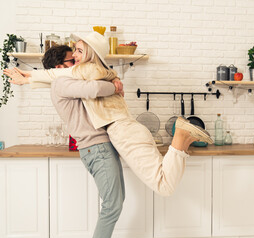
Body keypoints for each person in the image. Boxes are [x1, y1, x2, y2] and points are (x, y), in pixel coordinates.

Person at [4, 31, 213, 197]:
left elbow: (57, 74)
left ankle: (180, 136)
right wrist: (29, 77)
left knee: (164, 186)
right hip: (128, 128)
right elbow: (58, 75)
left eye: (78, 50)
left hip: (121, 131)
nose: (74, 55)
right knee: (164, 178)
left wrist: (27, 78)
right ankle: (183, 143)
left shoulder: (86, 71)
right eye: (73, 52)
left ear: (89, 53)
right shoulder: (101, 71)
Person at [33, 44, 125, 238]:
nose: (76, 61)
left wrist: (113, 77)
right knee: (112, 205)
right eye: (71, 60)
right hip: (96, 147)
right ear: (59, 68)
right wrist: (115, 86)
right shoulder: (61, 83)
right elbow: (95, 88)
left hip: (99, 147)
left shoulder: (68, 82)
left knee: (116, 201)